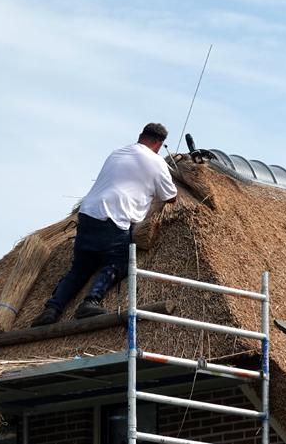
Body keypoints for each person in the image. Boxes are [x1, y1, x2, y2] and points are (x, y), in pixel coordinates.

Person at [31, 123, 178, 327]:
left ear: (140, 136)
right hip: (114, 219)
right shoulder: (156, 161)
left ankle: (52, 308)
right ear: (159, 145)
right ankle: (91, 301)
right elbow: (170, 197)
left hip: (88, 215)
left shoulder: (117, 153)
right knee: (120, 261)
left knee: (80, 268)